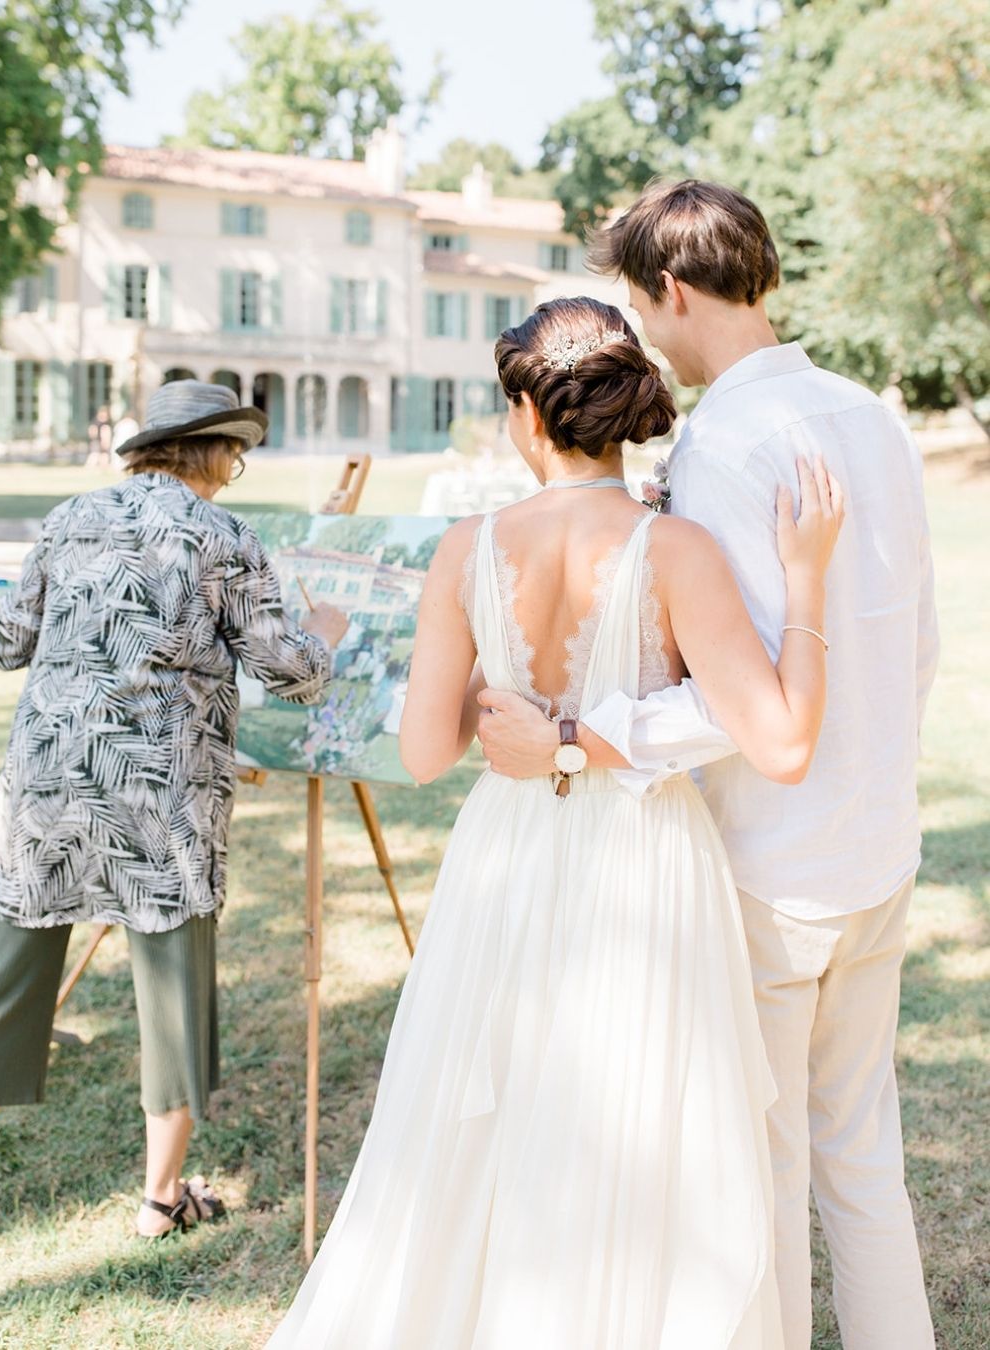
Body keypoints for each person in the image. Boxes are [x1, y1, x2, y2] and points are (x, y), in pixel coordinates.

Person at [265, 296, 844, 1348]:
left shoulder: (465, 549)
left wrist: (498, 672)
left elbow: (425, 752)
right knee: (634, 1122)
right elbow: (781, 742)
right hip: (645, 855)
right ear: (621, 410)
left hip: (509, 851)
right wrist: (806, 581)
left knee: (494, 1109)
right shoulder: (678, 548)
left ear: (528, 418)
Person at [478, 182, 938, 1350]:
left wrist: (579, 739)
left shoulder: (724, 446)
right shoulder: (871, 419)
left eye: (643, 304)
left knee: (765, 1171)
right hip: (878, 843)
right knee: (863, 1160)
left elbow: (725, 702)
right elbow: (916, 639)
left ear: (671, 291)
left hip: (769, 864)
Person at [0, 381, 347, 1246]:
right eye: (237, 452)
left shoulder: (70, 516)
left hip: (45, 789)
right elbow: (290, 674)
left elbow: (6, 645)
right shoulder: (225, 536)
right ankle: (159, 1199)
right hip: (160, 798)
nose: (239, 467)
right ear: (214, 452)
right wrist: (323, 631)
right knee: (173, 990)